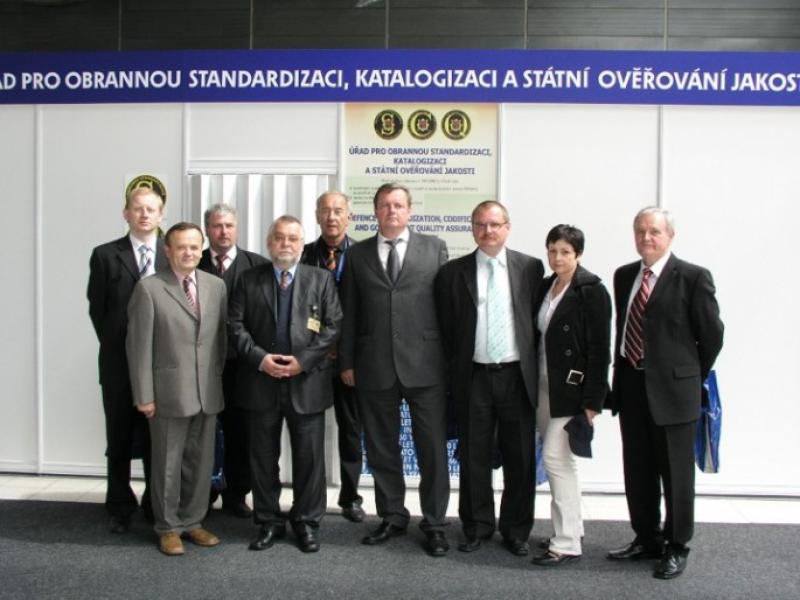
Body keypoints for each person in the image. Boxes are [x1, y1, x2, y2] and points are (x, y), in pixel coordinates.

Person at [606, 207, 723, 580]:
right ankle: (647, 538)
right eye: (640, 231)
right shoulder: (624, 275)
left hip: (674, 392)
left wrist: (687, 375)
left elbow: (712, 336)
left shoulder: (692, 277)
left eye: (654, 231)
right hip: (632, 387)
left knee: (676, 476)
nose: (646, 237)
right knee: (637, 470)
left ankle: (676, 545)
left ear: (670, 235)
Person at [339, 183, 450, 558]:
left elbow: (447, 307)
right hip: (374, 366)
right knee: (382, 447)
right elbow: (349, 311)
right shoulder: (356, 255)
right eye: (385, 205)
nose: (392, 210)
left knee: (432, 449)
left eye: (398, 204)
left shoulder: (434, 248)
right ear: (375, 211)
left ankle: (435, 522)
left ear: (410, 210)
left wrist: (450, 363)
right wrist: (347, 362)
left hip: (426, 366)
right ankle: (392, 516)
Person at [435, 200, 544, 557]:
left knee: (520, 458)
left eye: (495, 224)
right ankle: (477, 526)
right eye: (481, 224)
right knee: (474, 456)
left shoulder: (531, 268)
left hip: (516, 376)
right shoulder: (453, 273)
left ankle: (516, 530)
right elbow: (446, 330)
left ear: (507, 227)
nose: (488, 231)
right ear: (472, 229)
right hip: (474, 377)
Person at [229, 216, 342, 554]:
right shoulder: (249, 279)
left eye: (293, 238)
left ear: (302, 244)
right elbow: (235, 325)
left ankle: (306, 522)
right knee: (263, 459)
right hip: (260, 381)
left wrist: (302, 361)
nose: (286, 244)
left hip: (306, 383)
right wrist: (260, 359)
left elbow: (333, 326)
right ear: (269, 242)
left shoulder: (321, 279)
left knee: (309, 459)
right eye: (279, 237)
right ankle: (268, 521)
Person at [126, 222, 227, 556]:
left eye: (194, 247)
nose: (189, 252)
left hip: (206, 392)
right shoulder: (149, 289)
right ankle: (167, 527)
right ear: (167, 251)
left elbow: (220, 342)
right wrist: (144, 395)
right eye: (181, 247)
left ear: (202, 249)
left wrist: (215, 379)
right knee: (167, 465)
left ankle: (193, 521)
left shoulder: (216, 286)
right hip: (167, 394)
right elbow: (138, 347)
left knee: (200, 464)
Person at [530, 225, 611, 567]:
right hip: (543, 387)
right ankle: (572, 529)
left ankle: (565, 543)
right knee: (564, 462)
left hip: (572, 391)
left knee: (555, 459)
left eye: (565, 251)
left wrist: (592, 402)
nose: (558, 257)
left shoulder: (592, 292)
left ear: (578, 253)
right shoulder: (546, 286)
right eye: (552, 250)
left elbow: (600, 350)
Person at [87, 186, 166, 534]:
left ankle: (154, 505)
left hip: (161, 366)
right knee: (118, 439)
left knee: (155, 440)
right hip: (118, 365)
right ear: (126, 214)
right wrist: (124, 346)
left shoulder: (171, 253)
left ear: (161, 215)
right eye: (138, 208)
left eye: (151, 209)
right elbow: (98, 311)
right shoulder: (105, 255)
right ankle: (119, 506)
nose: (144, 214)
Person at [198, 203, 268, 518]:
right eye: (217, 226)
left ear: (237, 228)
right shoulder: (193, 262)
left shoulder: (257, 266)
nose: (223, 231)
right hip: (202, 365)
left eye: (228, 225)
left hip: (243, 365)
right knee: (203, 431)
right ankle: (203, 493)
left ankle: (237, 494)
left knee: (242, 431)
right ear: (207, 230)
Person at [300, 191, 365, 523]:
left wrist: (351, 356)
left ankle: (350, 497)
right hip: (312, 358)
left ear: (349, 217)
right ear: (317, 216)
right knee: (308, 430)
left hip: (349, 361)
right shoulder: (303, 254)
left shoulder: (364, 256)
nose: (332, 216)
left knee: (351, 431)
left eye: (338, 210)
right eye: (325, 211)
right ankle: (310, 498)